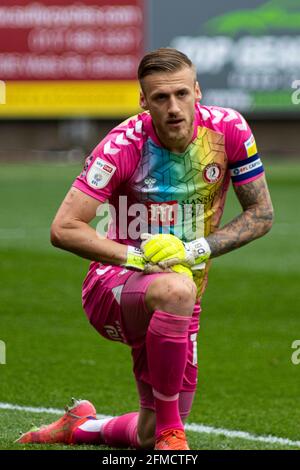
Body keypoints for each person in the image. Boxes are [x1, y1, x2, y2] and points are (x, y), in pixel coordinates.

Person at [17, 48, 273, 450]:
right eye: (160, 98)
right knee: (175, 290)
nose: (173, 107)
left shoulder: (230, 131)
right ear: (143, 101)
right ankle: (174, 437)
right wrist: (140, 259)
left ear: (197, 91)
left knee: (145, 432)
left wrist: (194, 251)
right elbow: (63, 228)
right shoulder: (123, 145)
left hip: (181, 293)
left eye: (181, 94)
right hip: (113, 287)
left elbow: (261, 214)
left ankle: (82, 426)